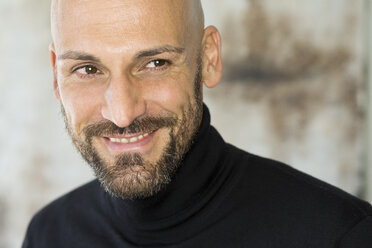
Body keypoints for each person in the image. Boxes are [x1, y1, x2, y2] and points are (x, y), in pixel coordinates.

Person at [23, 0, 372, 247]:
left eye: (155, 63)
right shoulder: (48, 234)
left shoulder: (340, 235)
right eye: (87, 69)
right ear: (56, 75)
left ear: (208, 58)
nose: (122, 113)